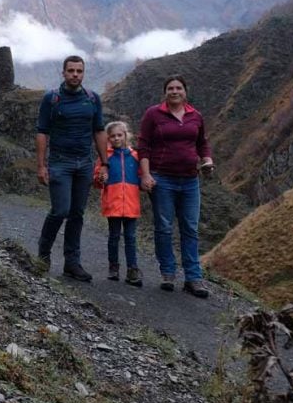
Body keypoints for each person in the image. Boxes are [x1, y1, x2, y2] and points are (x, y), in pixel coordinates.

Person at [138, 75, 214, 298]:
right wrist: (145, 174)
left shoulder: (195, 116)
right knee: (164, 226)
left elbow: (202, 143)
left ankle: (193, 278)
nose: (174, 91)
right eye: (170, 88)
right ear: (165, 92)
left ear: (185, 91)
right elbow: (143, 145)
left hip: (190, 180)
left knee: (190, 228)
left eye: (179, 87)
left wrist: (207, 161)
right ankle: (168, 273)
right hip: (163, 179)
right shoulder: (153, 114)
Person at [36, 55, 108, 281]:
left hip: (85, 163)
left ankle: (72, 262)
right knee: (61, 210)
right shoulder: (52, 99)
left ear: (83, 73)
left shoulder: (92, 99)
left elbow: (98, 131)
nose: (75, 74)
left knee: (77, 214)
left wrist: (104, 162)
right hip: (60, 162)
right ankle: (43, 255)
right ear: (63, 73)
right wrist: (41, 165)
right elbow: (42, 132)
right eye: (71, 71)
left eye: (79, 71)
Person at [94, 121, 143, 287]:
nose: (116, 138)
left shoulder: (135, 157)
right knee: (114, 237)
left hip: (131, 204)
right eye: (112, 136)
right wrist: (100, 179)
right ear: (108, 138)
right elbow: (97, 180)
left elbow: (142, 177)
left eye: (119, 135)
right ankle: (113, 268)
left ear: (126, 136)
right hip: (112, 204)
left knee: (130, 238)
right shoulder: (104, 158)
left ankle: (132, 269)